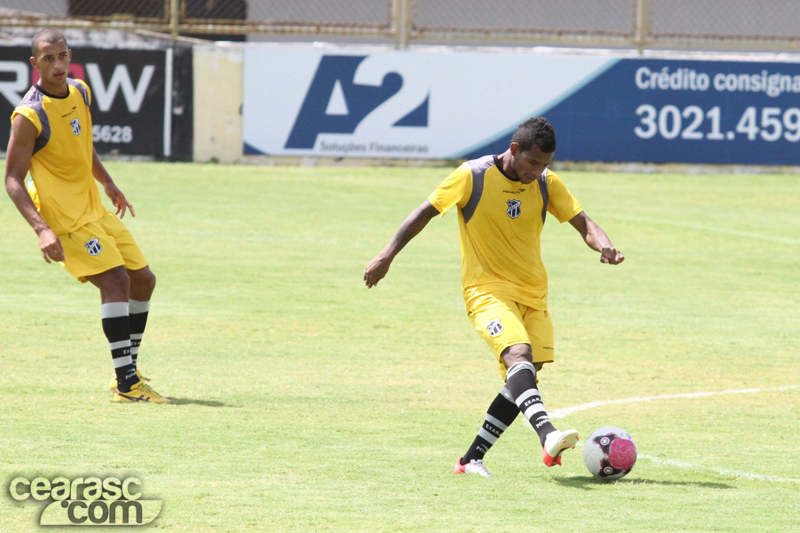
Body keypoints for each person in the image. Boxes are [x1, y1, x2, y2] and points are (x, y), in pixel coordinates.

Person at [364, 117, 624, 476]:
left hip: (533, 294)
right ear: (514, 150)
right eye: (533, 163)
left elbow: (583, 222)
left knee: (525, 376)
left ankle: (471, 460)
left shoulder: (547, 183)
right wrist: (387, 255)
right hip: (485, 291)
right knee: (518, 355)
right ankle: (547, 435)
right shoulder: (472, 176)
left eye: (545, 165)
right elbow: (425, 211)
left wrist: (605, 244)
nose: (538, 171)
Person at [4, 29, 168, 403]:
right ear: (35, 64)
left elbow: (82, 144)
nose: (57, 65)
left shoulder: (80, 91)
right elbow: (12, 179)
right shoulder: (29, 115)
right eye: (48, 59)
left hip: (93, 206)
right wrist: (42, 230)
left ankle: (127, 370)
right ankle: (127, 384)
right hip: (63, 217)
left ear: (69, 55)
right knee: (115, 282)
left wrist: (108, 184)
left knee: (143, 280)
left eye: (62, 56)